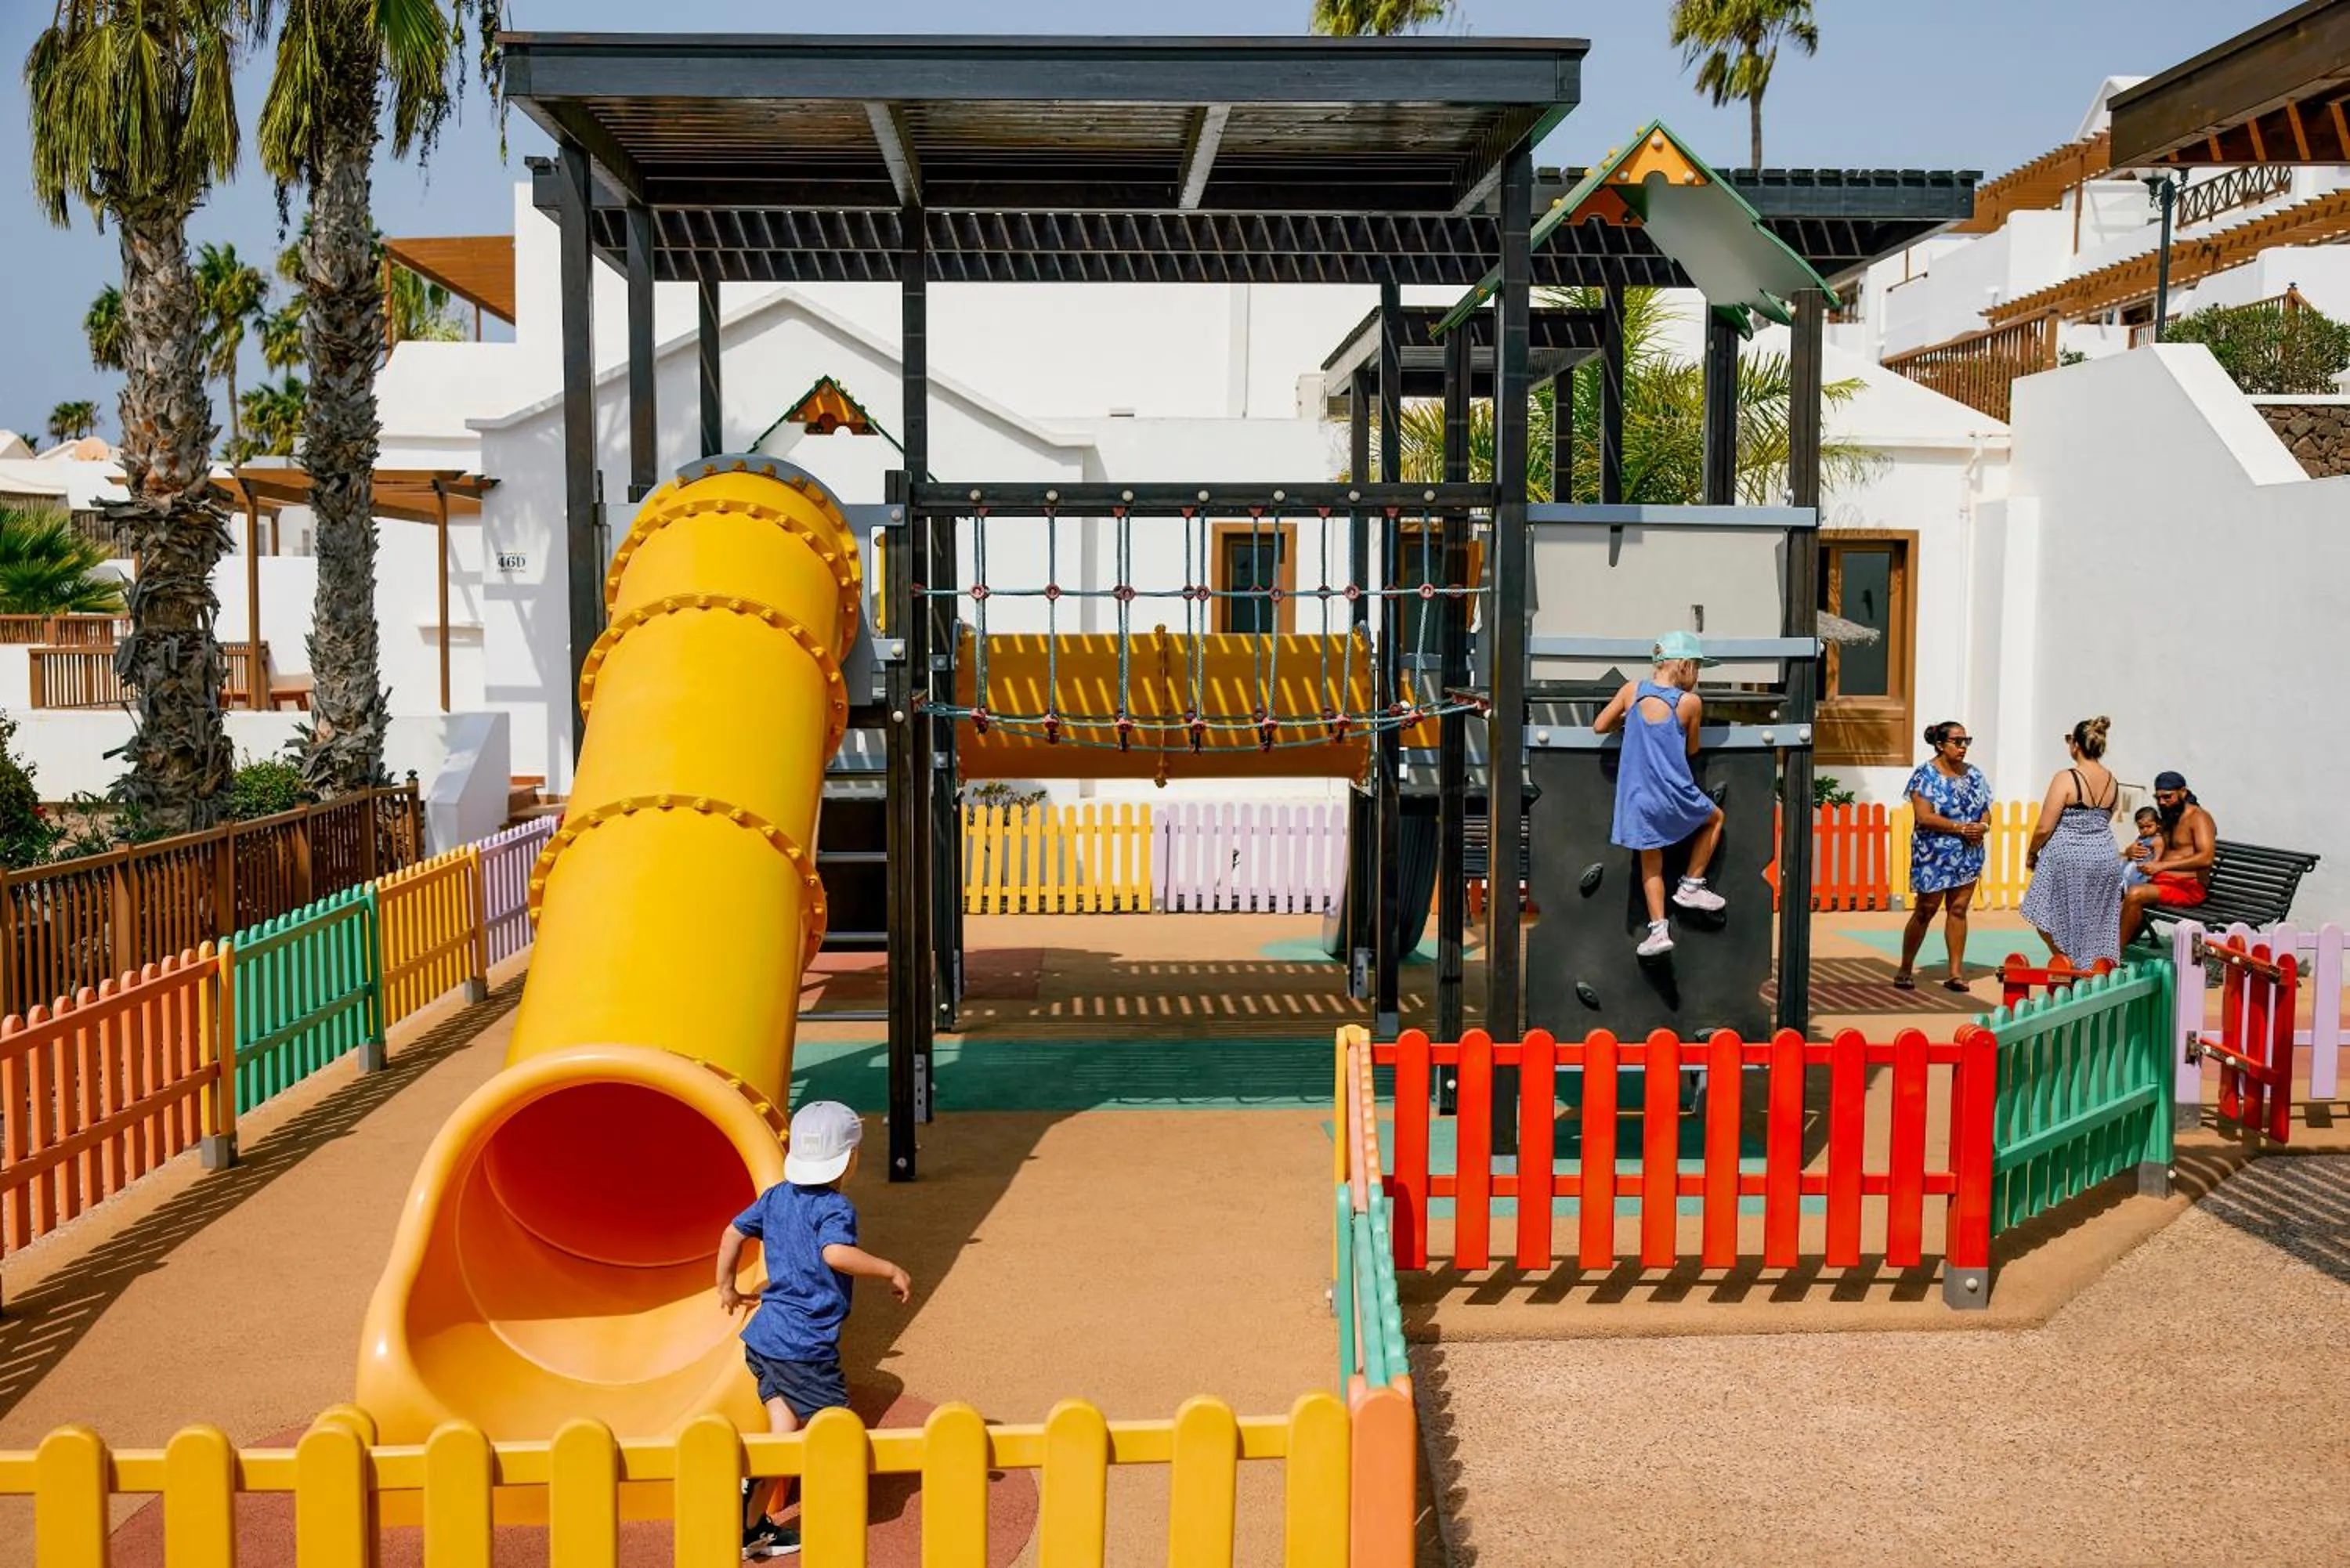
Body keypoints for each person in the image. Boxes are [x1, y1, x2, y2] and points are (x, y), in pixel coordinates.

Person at [718, 1100, 913, 1559]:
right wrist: (889, 1269)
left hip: (764, 1339)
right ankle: (835, 1513)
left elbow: (731, 1233)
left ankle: (749, 1525)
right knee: (836, 1427)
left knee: (784, 1426)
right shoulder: (835, 1207)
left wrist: (726, 1287)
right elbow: (835, 1255)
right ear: (849, 1159)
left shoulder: (775, 1197)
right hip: (802, 1345)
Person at [1593, 630, 1727, 958]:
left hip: (1637, 797)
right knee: (1714, 818)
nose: (1696, 675)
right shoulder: (1689, 703)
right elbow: (1692, 748)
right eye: (1696, 667)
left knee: (1650, 861)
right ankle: (1691, 885)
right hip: (1673, 791)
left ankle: (1658, 930)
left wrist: (1628, 720)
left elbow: (1600, 726)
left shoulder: (1631, 691)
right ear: (1683, 666)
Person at [2017, 717, 2123, 966]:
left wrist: (2032, 852)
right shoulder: (2113, 781)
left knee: (2043, 914)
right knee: (2096, 921)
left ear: (2076, 745)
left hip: (2068, 857)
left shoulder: (2066, 777)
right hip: (2105, 856)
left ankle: (2071, 965)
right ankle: (2091, 968)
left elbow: (2045, 826)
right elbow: (2106, 818)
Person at [1894, 720, 1990, 992]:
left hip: (1968, 852)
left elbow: (1985, 809)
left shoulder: (1975, 775)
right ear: (1940, 744)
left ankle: (1956, 974)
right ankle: (1905, 968)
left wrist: (1982, 827)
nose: (1963, 747)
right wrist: (1960, 827)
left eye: (1966, 742)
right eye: (1957, 742)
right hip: (1933, 853)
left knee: (1958, 910)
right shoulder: (1924, 775)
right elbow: (1924, 817)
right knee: (1925, 910)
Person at [2120, 771, 2216, 945]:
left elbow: (2206, 858)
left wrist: (2161, 866)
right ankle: (2098, 949)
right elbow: (2150, 843)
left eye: (2167, 797)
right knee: (2111, 889)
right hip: (2160, 881)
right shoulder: (2168, 817)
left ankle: (2111, 957)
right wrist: (2130, 851)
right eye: (2158, 798)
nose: (2161, 802)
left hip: (2188, 887)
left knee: (2135, 894)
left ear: (2183, 792)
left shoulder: (2199, 818)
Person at [2119, 807, 2164, 890]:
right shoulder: (2141, 838)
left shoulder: (2157, 840)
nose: (2145, 830)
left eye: (2149, 826)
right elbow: (2132, 851)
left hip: (2144, 869)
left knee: (2134, 883)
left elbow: (2157, 858)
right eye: (2141, 827)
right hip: (2134, 864)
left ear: (2157, 824)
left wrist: (2153, 867)